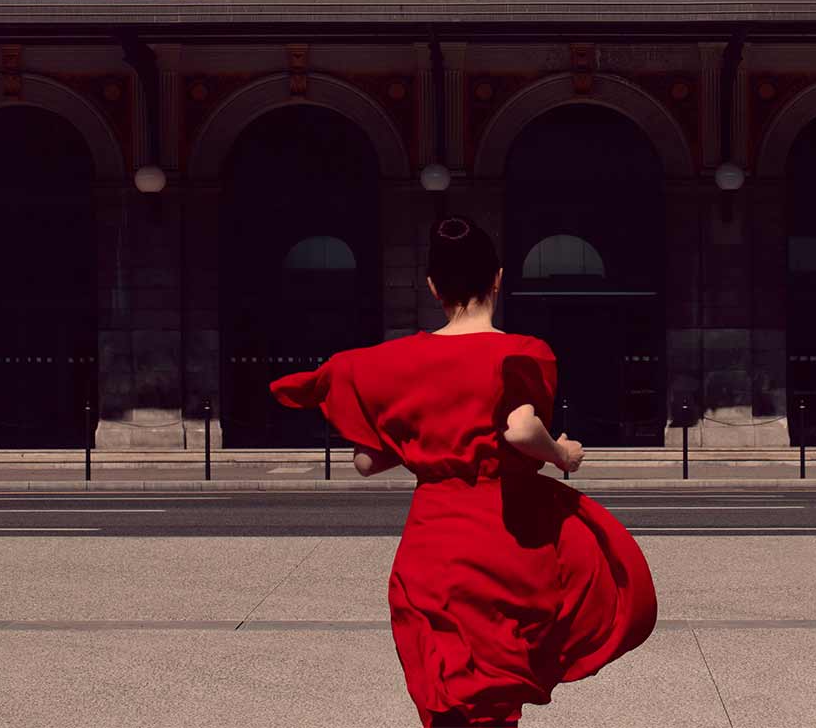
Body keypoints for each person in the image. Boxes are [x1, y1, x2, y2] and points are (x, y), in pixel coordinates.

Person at [269, 216, 658, 728]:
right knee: (495, 696)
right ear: (497, 279)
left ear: (433, 287)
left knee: (445, 690)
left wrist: (421, 438)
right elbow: (521, 431)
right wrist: (562, 454)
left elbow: (366, 462)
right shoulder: (521, 352)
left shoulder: (393, 361)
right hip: (502, 537)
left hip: (432, 542)